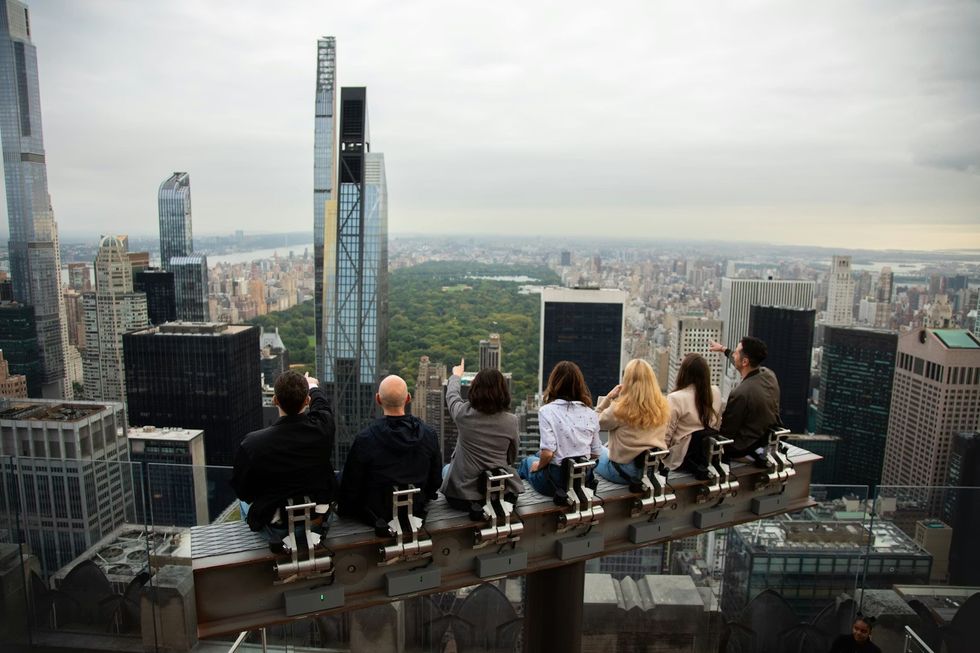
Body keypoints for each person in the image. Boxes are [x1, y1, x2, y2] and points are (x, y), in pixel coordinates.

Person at [231, 371, 336, 552]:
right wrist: (312, 386)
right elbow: (323, 408)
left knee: (242, 502)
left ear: (275, 400)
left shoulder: (253, 444)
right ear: (307, 401)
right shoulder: (322, 430)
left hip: (275, 529)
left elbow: (244, 492)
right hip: (317, 523)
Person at [338, 375, 442, 533]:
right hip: (415, 510)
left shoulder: (365, 439)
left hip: (377, 515)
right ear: (408, 398)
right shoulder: (429, 434)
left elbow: (350, 488)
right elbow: (435, 481)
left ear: (378, 400)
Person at [441, 359, 524, 511]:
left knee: (446, 469)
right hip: (499, 494)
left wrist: (456, 376)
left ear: (475, 389)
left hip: (463, 498)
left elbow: (452, 396)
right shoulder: (511, 421)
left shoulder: (463, 414)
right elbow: (512, 457)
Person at [518, 361, 602, 496]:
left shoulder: (547, 411)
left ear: (554, 383)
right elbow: (596, 452)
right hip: (582, 479)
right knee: (537, 455)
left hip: (554, 483)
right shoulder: (590, 412)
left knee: (526, 462)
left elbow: (548, 453)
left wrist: (538, 466)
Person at [594, 359, 671, 484]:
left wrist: (608, 398)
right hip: (652, 470)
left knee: (593, 448)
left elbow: (594, 422)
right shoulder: (662, 406)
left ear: (627, 381)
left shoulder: (620, 408)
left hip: (623, 473)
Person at [708, 336, 781, 463]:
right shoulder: (769, 374)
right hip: (765, 435)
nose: (734, 355)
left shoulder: (741, 393)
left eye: (736, 352)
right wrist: (723, 350)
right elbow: (738, 360)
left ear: (745, 362)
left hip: (744, 446)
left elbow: (727, 434)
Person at [665, 353, 722, 471]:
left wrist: (661, 456)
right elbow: (717, 424)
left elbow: (666, 435)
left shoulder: (675, 398)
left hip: (683, 459)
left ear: (683, 373)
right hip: (710, 454)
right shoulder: (715, 392)